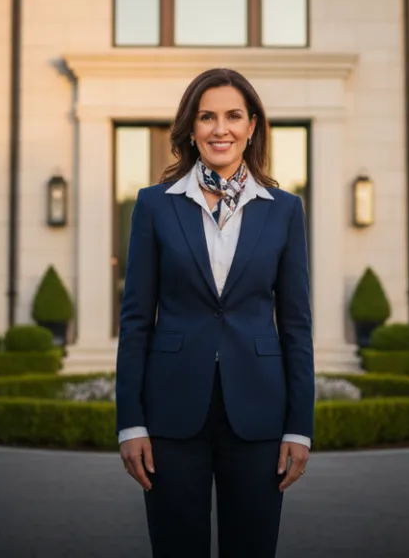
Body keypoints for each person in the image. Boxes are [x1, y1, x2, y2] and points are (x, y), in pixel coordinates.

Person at [115, 67, 314, 558]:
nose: (219, 128)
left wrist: (299, 426)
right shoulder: (155, 206)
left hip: (260, 412)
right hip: (171, 410)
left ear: (252, 127)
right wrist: (131, 423)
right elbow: (136, 320)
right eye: (207, 116)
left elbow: (295, 325)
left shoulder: (284, 210)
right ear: (190, 128)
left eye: (232, 116)